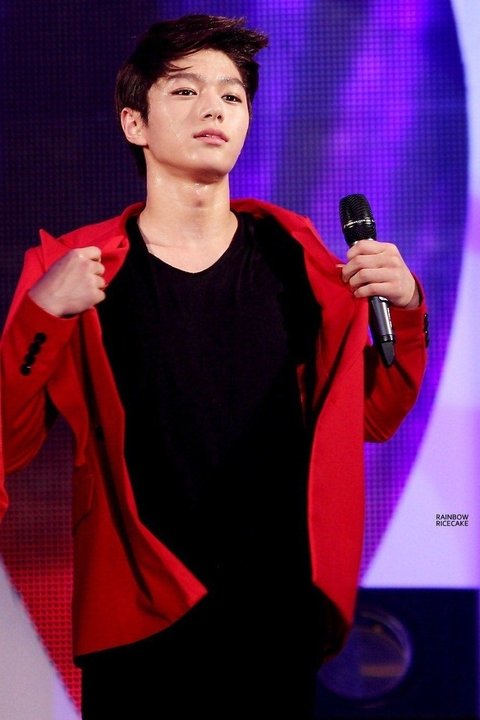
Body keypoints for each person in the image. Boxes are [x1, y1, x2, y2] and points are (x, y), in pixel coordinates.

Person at [0, 14, 428, 720]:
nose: (214, 109)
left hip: (276, 612)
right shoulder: (75, 270)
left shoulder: (301, 264)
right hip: (140, 613)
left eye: (231, 96)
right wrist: (41, 315)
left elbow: (376, 416)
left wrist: (406, 309)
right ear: (134, 123)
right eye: (185, 91)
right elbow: (9, 439)